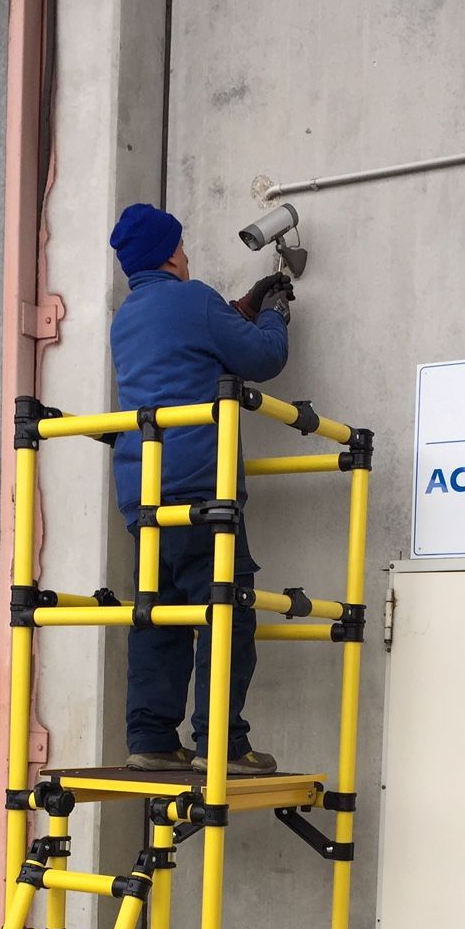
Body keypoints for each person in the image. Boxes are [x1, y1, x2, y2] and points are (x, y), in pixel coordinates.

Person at [108, 201, 293, 774]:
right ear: (170, 253)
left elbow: (186, 352)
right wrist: (274, 313)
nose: (187, 256)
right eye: (183, 246)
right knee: (225, 610)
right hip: (200, 490)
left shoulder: (128, 316)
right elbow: (263, 358)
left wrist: (233, 311)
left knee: (157, 614)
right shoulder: (192, 299)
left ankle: (151, 739)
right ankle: (222, 744)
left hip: (143, 491)